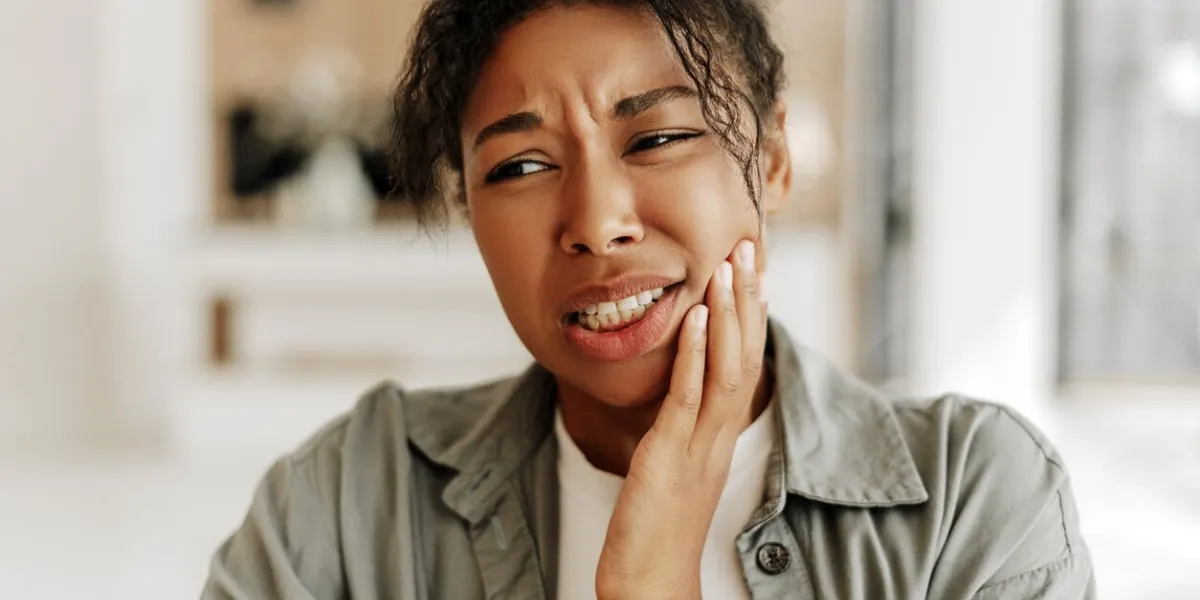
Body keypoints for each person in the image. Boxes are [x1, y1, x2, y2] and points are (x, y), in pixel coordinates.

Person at [202, 1, 1096, 598]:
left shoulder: (971, 507)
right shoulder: (346, 506)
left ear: (774, 159)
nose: (596, 222)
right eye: (520, 165)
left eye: (660, 136)